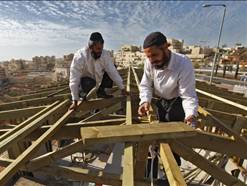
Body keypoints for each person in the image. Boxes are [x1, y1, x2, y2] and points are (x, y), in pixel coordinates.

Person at [137, 32, 199, 178]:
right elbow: (145, 85)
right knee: (156, 135)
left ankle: (171, 171)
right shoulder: (149, 62)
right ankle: (151, 168)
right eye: (148, 56)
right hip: (160, 101)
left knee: (173, 140)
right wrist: (145, 101)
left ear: (166, 48)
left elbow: (188, 94)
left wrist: (191, 114)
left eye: (154, 55)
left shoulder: (183, 64)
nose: (151, 60)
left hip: (177, 103)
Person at [69, 32, 127, 110]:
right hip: (86, 82)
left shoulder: (105, 54)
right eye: (98, 49)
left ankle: (101, 92)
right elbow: (74, 78)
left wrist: (122, 88)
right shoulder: (80, 56)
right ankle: (83, 95)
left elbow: (112, 72)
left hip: (98, 81)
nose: (100, 51)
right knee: (87, 83)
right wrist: (75, 100)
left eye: (101, 48)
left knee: (113, 68)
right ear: (90, 47)